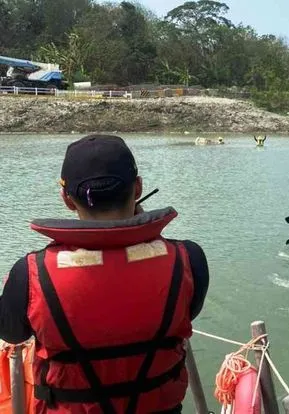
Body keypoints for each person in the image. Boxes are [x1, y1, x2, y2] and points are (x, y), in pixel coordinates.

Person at [0, 134, 209, 413]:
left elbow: (12, 334)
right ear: (137, 188)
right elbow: (184, 315)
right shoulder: (189, 260)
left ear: (67, 199)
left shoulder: (29, 274)